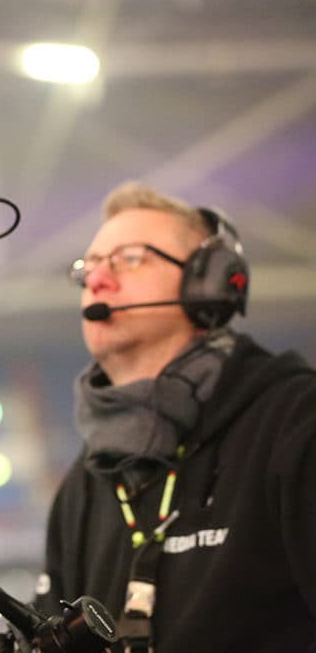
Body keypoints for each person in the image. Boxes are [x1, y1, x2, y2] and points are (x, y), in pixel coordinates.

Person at [32, 181, 316, 652]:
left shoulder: (294, 420)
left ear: (210, 284)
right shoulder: (87, 477)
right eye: (89, 267)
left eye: (129, 259)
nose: (97, 281)